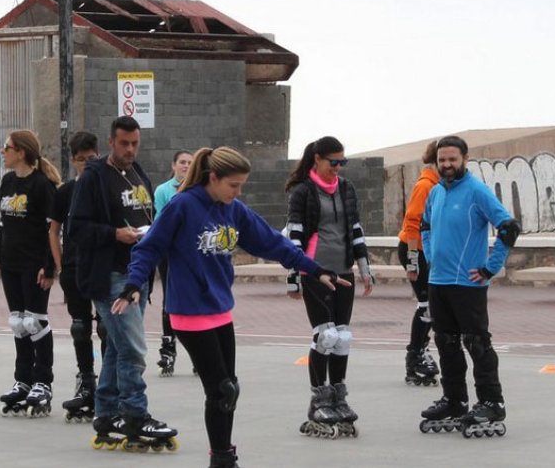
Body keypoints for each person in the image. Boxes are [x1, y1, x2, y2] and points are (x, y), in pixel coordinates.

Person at [114, 146, 348, 468]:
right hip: (189, 313)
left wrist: (314, 269)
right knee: (220, 390)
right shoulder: (183, 205)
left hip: (220, 310)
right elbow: (149, 247)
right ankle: (221, 459)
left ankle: (224, 455)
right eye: (233, 185)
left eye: (241, 185)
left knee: (230, 390)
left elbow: (272, 242)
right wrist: (133, 284)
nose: (238, 192)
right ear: (213, 177)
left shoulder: (233, 210)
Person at [68, 115, 175, 450]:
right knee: (133, 348)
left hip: (138, 274)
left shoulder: (137, 172)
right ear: (111, 142)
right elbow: (76, 229)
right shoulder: (94, 177)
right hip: (111, 275)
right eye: (124, 144)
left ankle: (106, 414)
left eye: (135, 144)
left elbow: (149, 214)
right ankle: (135, 415)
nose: (130, 150)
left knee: (117, 347)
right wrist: (115, 233)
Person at [418, 135, 519, 438]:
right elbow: (425, 225)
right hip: (438, 282)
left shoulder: (476, 191)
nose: (447, 165)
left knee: (477, 343)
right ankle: (454, 400)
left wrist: (490, 267)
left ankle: (491, 402)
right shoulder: (435, 192)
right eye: (442, 160)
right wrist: (430, 256)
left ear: (464, 159)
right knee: (445, 343)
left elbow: (509, 227)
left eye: (452, 159)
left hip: (468, 284)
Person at [284, 136, 374, 438]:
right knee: (326, 335)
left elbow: (356, 229)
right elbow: (294, 235)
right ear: (317, 159)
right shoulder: (303, 191)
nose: (338, 167)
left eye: (342, 162)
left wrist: (364, 268)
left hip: (343, 270)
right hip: (315, 270)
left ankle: (338, 397)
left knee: (343, 337)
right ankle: (318, 399)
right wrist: (294, 276)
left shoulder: (346, 188)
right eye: (333, 162)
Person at [0, 129, 61, 416]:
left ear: (21, 152)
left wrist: (49, 265)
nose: (2, 152)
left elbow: (52, 229)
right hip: (11, 262)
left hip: (34, 263)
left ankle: (43, 381)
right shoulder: (8, 181)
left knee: (35, 322)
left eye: (6, 147)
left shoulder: (42, 185)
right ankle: (23, 380)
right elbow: (3, 225)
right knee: (18, 322)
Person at [47, 131, 103, 422]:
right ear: (72, 160)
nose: (86, 164)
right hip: (74, 267)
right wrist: (60, 266)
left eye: (91, 159)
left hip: (102, 266)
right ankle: (86, 380)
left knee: (106, 327)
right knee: (80, 327)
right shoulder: (66, 191)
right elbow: (53, 230)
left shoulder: (106, 187)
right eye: (81, 160)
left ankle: (111, 383)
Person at [397, 140, 440, 386]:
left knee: (431, 305)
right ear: (435, 161)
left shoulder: (438, 186)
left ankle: (421, 349)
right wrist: (413, 262)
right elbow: (412, 223)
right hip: (415, 249)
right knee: (426, 305)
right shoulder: (425, 186)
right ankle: (415, 357)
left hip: (427, 251)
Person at [153, 149, 194, 377]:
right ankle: (168, 348)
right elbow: (161, 221)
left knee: (194, 299)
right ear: (174, 165)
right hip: (169, 252)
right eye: (182, 162)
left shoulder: (198, 189)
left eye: (190, 163)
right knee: (169, 299)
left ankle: (198, 352)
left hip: (192, 253)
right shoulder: (163, 191)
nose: (186, 166)